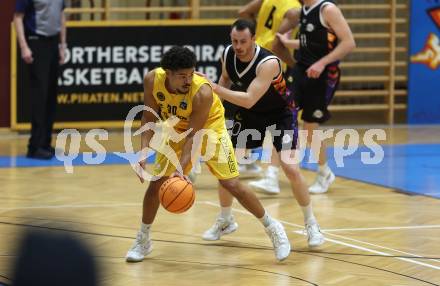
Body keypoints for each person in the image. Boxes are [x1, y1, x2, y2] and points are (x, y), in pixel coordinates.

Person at [125, 46, 291, 262]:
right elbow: (148, 118)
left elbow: (194, 136)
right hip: (177, 128)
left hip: (210, 127)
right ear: (168, 74)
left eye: (191, 74)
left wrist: (179, 169)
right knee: (156, 183)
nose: (188, 80)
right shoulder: (151, 80)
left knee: (232, 184)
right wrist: (142, 153)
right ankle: (143, 239)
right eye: (182, 76)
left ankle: (273, 228)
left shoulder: (201, 91)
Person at [202, 19, 324, 249]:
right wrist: (213, 105)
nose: (238, 46)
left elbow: (248, 99)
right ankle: (226, 220)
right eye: (234, 41)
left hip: (280, 113)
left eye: (243, 41)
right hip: (250, 115)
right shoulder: (228, 54)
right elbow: (226, 79)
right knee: (227, 168)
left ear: (254, 39)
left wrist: (216, 89)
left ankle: (312, 224)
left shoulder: (268, 63)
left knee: (290, 168)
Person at [277, 0, 356, 193]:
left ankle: (324, 172)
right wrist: (288, 43)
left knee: (310, 127)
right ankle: (274, 172)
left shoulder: (328, 10)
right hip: (302, 70)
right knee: (284, 113)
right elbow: (311, 42)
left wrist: (322, 63)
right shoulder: (304, 10)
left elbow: (348, 43)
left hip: (323, 75)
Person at [239, 0, 301, 194]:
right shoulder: (295, 10)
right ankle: (272, 175)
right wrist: (296, 66)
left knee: (250, 109)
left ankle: (246, 160)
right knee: (282, 120)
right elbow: (278, 43)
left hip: (256, 57)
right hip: (276, 66)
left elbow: (243, 12)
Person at [14, 0, 67, 160]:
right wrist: (23, 46)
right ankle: (34, 146)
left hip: (53, 42)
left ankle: (45, 143)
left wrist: (62, 45)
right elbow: (17, 18)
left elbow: (62, 16)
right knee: (40, 96)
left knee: (51, 95)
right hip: (36, 41)